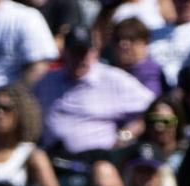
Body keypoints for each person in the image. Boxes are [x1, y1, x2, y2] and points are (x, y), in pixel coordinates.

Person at [33, 28, 155, 157]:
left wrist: (126, 135)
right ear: (65, 53)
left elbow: (154, 107)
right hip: (54, 155)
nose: (80, 60)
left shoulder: (113, 79)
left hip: (98, 160)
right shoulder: (47, 80)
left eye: (83, 53)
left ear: (94, 53)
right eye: (75, 53)